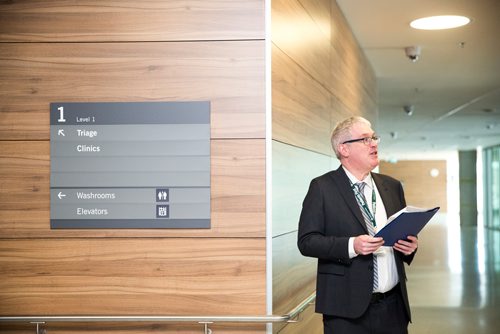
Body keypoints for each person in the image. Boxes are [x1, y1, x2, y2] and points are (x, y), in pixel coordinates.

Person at [297, 116, 418, 334]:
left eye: (374, 138)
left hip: (393, 309)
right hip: (346, 313)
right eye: (365, 139)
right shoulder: (322, 188)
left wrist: (410, 248)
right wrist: (352, 246)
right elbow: (307, 242)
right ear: (344, 149)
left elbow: (403, 235)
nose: (374, 144)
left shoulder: (392, 186)